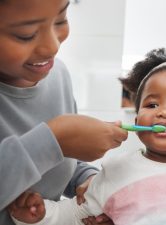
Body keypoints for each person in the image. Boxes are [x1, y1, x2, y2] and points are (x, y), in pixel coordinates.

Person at [10, 47, 166, 225]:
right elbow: (75, 216)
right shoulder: (116, 172)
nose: (164, 111)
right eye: (152, 103)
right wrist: (38, 215)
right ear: (137, 122)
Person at [0, 0, 128, 224]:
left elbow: (61, 163)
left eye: (61, 20)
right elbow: (52, 146)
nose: (52, 47)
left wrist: (87, 180)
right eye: (26, 34)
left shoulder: (58, 74)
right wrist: (54, 139)